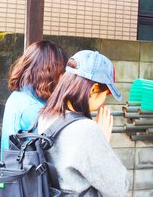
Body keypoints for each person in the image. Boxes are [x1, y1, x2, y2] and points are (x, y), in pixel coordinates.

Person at [38, 50, 129, 197]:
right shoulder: (87, 130)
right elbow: (118, 188)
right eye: (105, 94)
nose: (103, 101)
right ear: (93, 90)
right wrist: (102, 141)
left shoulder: (45, 115)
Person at [0, 40, 67, 153]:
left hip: (13, 167)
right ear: (50, 73)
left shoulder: (19, 95)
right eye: (62, 71)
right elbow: (58, 153)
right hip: (30, 169)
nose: (64, 77)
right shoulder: (33, 108)